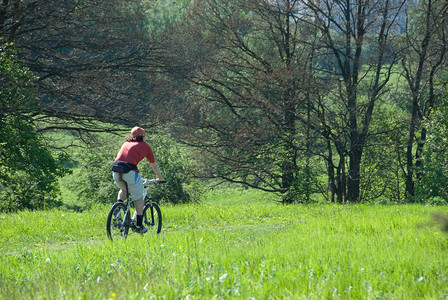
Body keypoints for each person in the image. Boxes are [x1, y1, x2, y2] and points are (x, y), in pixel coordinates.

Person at [112, 126, 165, 233]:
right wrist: (160, 178)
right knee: (139, 198)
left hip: (116, 170)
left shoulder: (126, 143)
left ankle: (118, 207)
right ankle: (139, 226)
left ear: (132, 136)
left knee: (124, 190)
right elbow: (154, 165)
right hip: (130, 171)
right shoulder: (145, 147)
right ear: (144, 136)